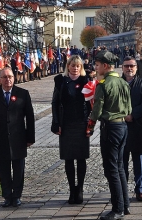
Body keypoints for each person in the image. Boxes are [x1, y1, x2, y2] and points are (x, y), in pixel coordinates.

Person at [86, 50, 131, 220]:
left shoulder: (103, 85)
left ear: (105, 66)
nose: (95, 69)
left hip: (110, 128)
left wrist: (89, 127)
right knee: (119, 167)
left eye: (97, 66)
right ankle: (125, 205)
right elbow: (129, 108)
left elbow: (96, 110)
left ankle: (117, 209)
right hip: (122, 126)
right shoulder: (123, 83)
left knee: (111, 169)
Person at [0, 67, 35, 208]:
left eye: (10, 76)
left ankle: (17, 196)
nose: (8, 80)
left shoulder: (23, 94)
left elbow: (30, 117)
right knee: (4, 169)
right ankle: (7, 196)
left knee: (19, 169)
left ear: (14, 77)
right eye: (5, 77)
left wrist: (30, 137)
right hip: (1, 138)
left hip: (18, 137)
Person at [51, 55, 91, 204]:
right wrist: (56, 122)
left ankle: (79, 188)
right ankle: (71, 189)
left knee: (81, 158)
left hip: (81, 124)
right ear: (68, 67)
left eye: (78, 66)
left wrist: (90, 125)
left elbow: (90, 105)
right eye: (72, 65)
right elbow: (55, 103)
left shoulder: (85, 81)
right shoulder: (60, 81)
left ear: (81, 67)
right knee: (68, 158)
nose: (75, 68)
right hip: (66, 124)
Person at [121, 56, 142, 202]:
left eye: (132, 66)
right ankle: (122, 189)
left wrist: (133, 115)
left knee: (138, 160)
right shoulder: (117, 83)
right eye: (126, 66)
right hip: (120, 127)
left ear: (136, 67)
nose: (129, 69)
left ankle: (139, 189)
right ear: (122, 67)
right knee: (122, 160)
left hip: (137, 126)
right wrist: (122, 115)